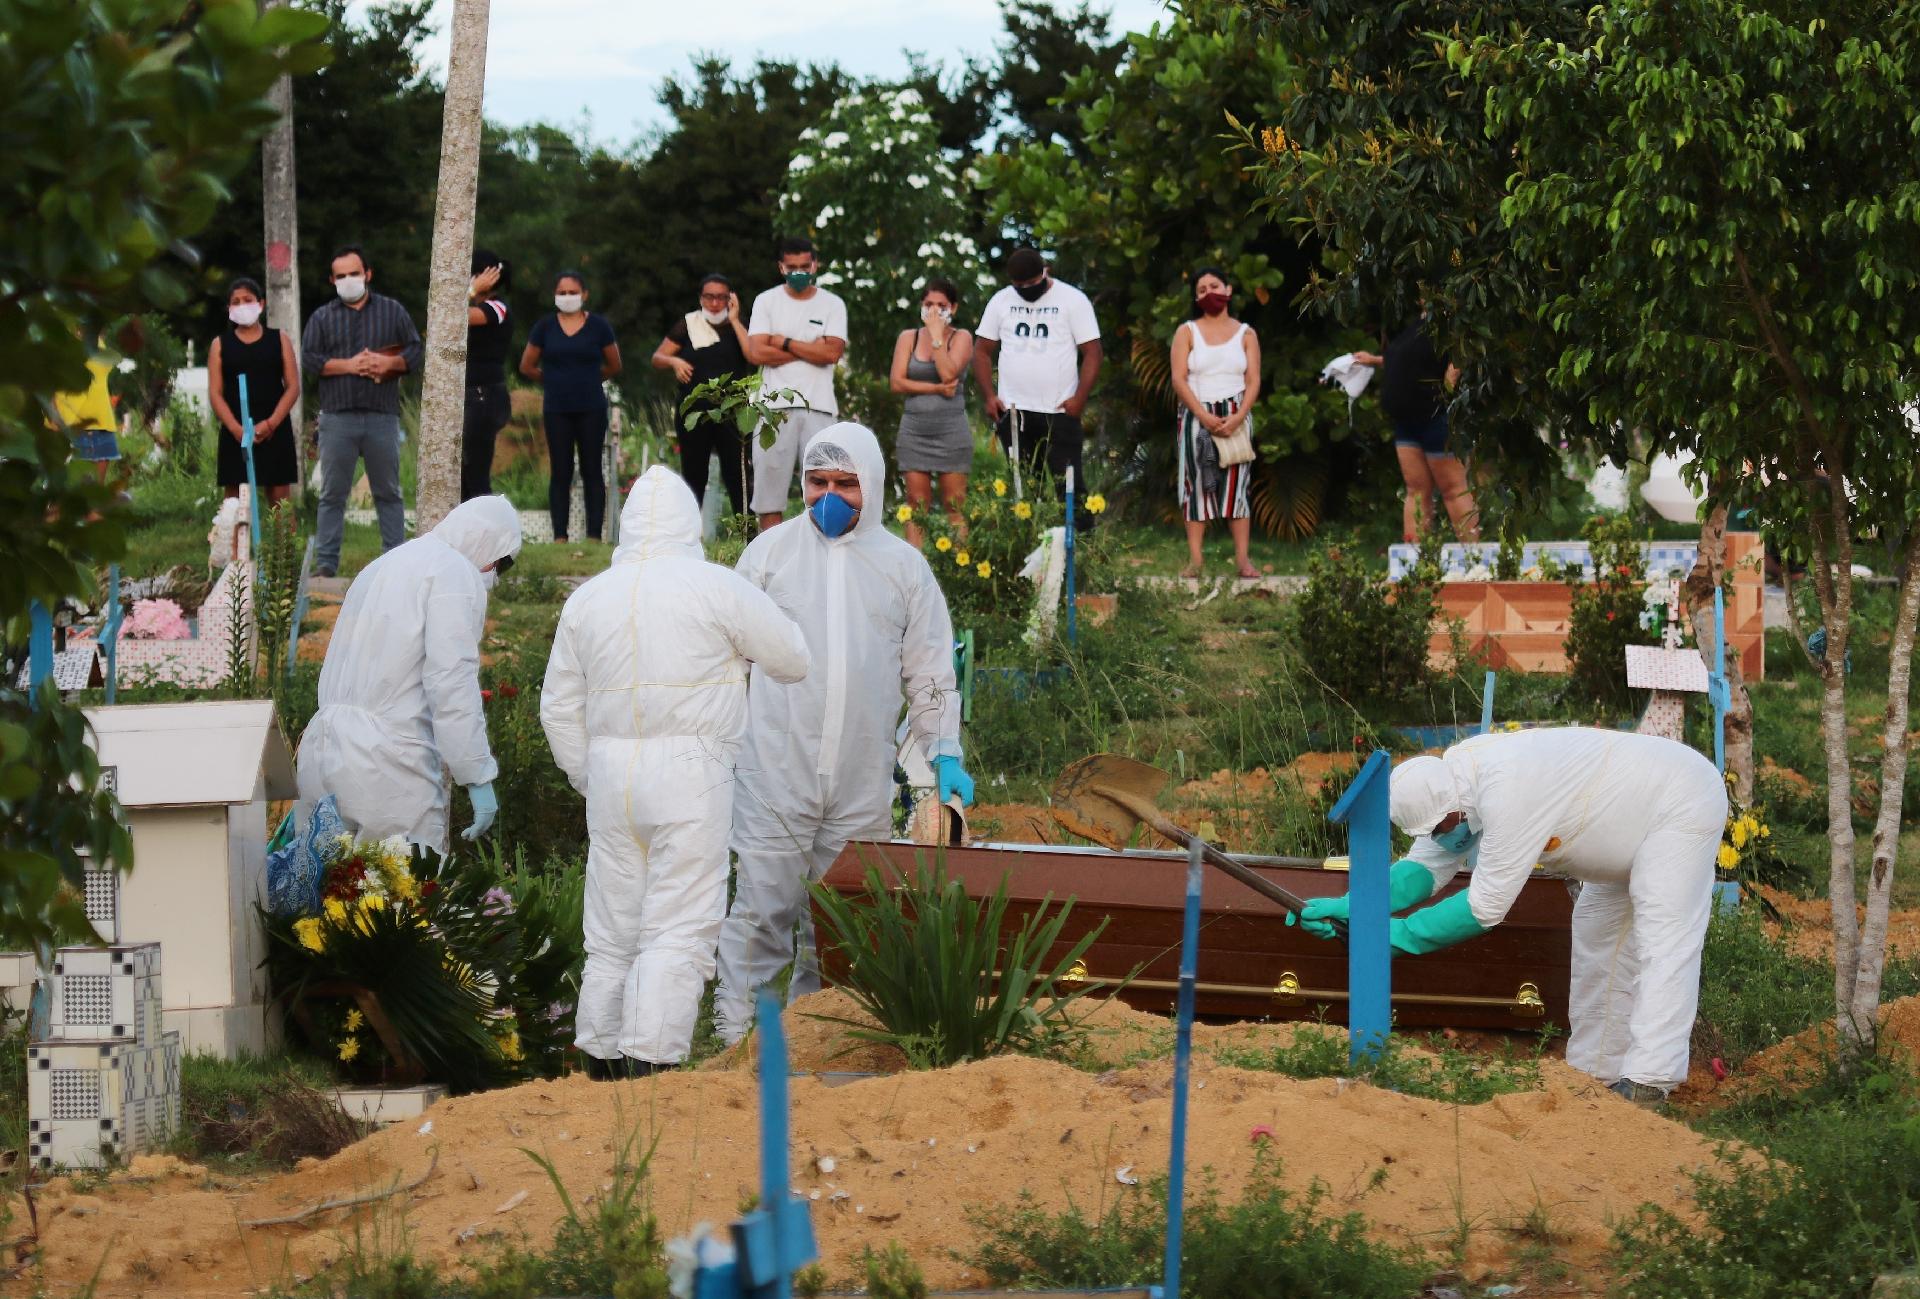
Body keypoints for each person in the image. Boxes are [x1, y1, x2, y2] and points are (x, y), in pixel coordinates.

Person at [541, 466, 811, 1078]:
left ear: (629, 523)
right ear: (691, 520)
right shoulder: (715, 587)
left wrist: (590, 775)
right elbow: (793, 660)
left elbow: (556, 706)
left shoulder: (589, 596)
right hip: (694, 769)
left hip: (612, 775)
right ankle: (651, 1065)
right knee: (679, 924)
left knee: (611, 927)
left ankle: (601, 1062)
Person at [1292, 728, 1727, 1106]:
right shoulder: (1450, 792)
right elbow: (1423, 872)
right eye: (1436, 832)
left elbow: (1485, 905)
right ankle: (1597, 1072)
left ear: (1455, 807)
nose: (1446, 838)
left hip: (1678, 796)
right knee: (1598, 932)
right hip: (1620, 829)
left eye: (1445, 828)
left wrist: (1398, 935)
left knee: (1662, 933)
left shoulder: (1509, 788)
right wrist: (1354, 906)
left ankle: (1652, 1079)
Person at [713, 423, 972, 1045]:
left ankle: (824, 1043)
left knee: (842, 923)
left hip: (860, 782)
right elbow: (728, 665)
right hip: (775, 771)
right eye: (818, 482)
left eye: (846, 484)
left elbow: (930, 674)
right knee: (761, 914)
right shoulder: (768, 559)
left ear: (874, 485)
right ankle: (732, 1045)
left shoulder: (903, 570)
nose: (830, 497)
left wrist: (944, 754)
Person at [295, 495, 523, 855]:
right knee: (399, 899)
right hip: (388, 763)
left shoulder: (386, 563)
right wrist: (476, 774)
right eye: (501, 563)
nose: (495, 573)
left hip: (322, 749)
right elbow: (452, 681)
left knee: (327, 894)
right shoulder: (454, 573)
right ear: (489, 547)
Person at [301, 245, 423, 578]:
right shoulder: (322, 317)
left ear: (367, 274)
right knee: (332, 494)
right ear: (332, 280)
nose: (348, 280)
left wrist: (389, 363)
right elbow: (310, 359)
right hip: (337, 417)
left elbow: (414, 351)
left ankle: (395, 560)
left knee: (388, 491)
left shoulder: (393, 311)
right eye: (340, 276)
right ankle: (326, 564)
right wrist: (350, 365)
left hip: (382, 416)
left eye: (353, 273)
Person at [971, 247, 1102, 512]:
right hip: (1015, 412)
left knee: (1068, 484)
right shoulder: (1001, 301)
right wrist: (989, 396)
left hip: (1059, 410)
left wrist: (1079, 398)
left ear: (1045, 272)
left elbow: (1093, 353)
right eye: (1020, 286)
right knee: (1024, 485)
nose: (1026, 290)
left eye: (1032, 284)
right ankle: (1029, 546)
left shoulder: (1072, 299)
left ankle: (1079, 545)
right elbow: (982, 351)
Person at [745, 237, 849, 531]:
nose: (800, 272)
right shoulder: (766, 301)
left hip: (820, 408)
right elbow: (756, 352)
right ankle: (771, 563)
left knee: (824, 491)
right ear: (781, 267)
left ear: (815, 265)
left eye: (805, 266)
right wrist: (808, 349)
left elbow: (831, 353)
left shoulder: (832, 304)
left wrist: (783, 341)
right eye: (792, 267)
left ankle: (820, 559)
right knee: (769, 498)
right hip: (772, 409)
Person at [1353, 312, 1480, 542]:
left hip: (1436, 418)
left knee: (1453, 489)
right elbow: (1407, 361)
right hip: (1407, 421)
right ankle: (1415, 563)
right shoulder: (1418, 324)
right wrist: (1373, 360)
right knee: (1415, 491)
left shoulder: (1449, 320)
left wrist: (1451, 385)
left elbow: (1462, 353)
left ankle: (1474, 559)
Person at [1169, 267, 1261, 579]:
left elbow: (1254, 379)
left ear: (1229, 289)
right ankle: (1195, 561)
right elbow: (1179, 379)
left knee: (1237, 487)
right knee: (1195, 485)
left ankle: (1243, 560)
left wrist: (1239, 416)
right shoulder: (1187, 332)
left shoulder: (1246, 333)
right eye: (1202, 289)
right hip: (1197, 414)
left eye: (1215, 285)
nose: (1210, 292)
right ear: (1196, 297)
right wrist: (1203, 416)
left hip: (1236, 412)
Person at [520, 271, 621, 543]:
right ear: (555, 295)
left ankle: (594, 536)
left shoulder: (599, 326)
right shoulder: (544, 327)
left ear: (584, 294)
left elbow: (614, 364)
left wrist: (588, 379)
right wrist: (551, 380)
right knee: (560, 471)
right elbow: (527, 365)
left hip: (591, 407)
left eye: (572, 292)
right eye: (562, 292)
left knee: (592, 470)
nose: (567, 297)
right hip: (557, 408)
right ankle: (560, 536)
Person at [651, 273, 754, 516]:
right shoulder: (688, 325)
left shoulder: (739, 326)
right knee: (694, 473)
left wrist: (735, 319)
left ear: (730, 299)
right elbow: (657, 357)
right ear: (701, 298)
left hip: (733, 410)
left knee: (737, 473)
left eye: (721, 297)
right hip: (694, 411)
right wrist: (674, 362)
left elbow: (753, 354)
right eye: (709, 297)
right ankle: (688, 535)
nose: (715, 303)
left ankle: (747, 534)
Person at [889, 278, 974, 546]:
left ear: (954, 308)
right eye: (929, 304)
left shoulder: (962, 337)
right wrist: (937, 388)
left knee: (955, 505)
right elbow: (897, 382)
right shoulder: (908, 337)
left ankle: (959, 570)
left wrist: (937, 336)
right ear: (920, 306)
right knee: (916, 504)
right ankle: (916, 569)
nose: (935, 311)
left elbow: (950, 371)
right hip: (914, 431)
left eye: (941, 305)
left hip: (951, 431)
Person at [208, 277, 300, 507]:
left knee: (280, 503)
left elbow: (293, 386)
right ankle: (235, 544)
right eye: (236, 302)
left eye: (247, 300)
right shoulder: (220, 344)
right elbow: (215, 393)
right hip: (236, 430)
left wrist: (271, 423)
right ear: (229, 309)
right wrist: (236, 430)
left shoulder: (279, 340)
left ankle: (282, 545)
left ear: (261, 303)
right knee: (234, 505)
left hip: (274, 428)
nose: (242, 305)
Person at [461, 250, 513, 501]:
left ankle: (485, 530)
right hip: (469, 395)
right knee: (463, 471)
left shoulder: (497, 307)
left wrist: (470, 291)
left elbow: (455, 317)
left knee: (476, 471)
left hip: (485, 396)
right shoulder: (476, 305)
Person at [50, 343, 122, 484]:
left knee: (89, 494)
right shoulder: (66, 348)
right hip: (79, 426)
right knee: (72, 492)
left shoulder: (96, 347)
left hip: (98, 423)